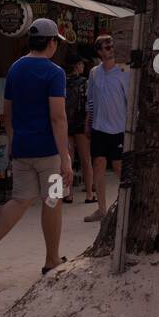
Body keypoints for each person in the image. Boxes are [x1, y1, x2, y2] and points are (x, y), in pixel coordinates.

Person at [0, 19, 73, 283]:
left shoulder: (15, 68)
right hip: (48, 148)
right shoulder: (55, 73)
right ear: (51, 43)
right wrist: (65, 157)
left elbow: (8, 112)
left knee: (19, 200)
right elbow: (58, 118)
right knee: (52, 200)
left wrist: (15, 140)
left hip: (22, 147)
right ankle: (51, 259)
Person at [85, 34, 129, 221]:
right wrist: (88, 122)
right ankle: (101, 208)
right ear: (99, 52)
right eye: (106, 47)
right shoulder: (94, 73)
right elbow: (91, 100)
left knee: (119, 167)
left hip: (119, 128)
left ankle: (129, 204)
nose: (110, 49)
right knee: (98, 165)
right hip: (99, 127)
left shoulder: (123, 72)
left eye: (111, 46)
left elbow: (130, 101)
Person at [65, 54, 96, 205]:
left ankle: (68, 194)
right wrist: (88, 122)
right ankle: (89, 194)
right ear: (77, 66)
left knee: (67, 159)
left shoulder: (62, 82)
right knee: (86, 159)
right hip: (81, 123)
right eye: (81, 64)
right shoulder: (85, 82)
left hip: (66, 123)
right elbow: (89, 103)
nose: (83, 67)